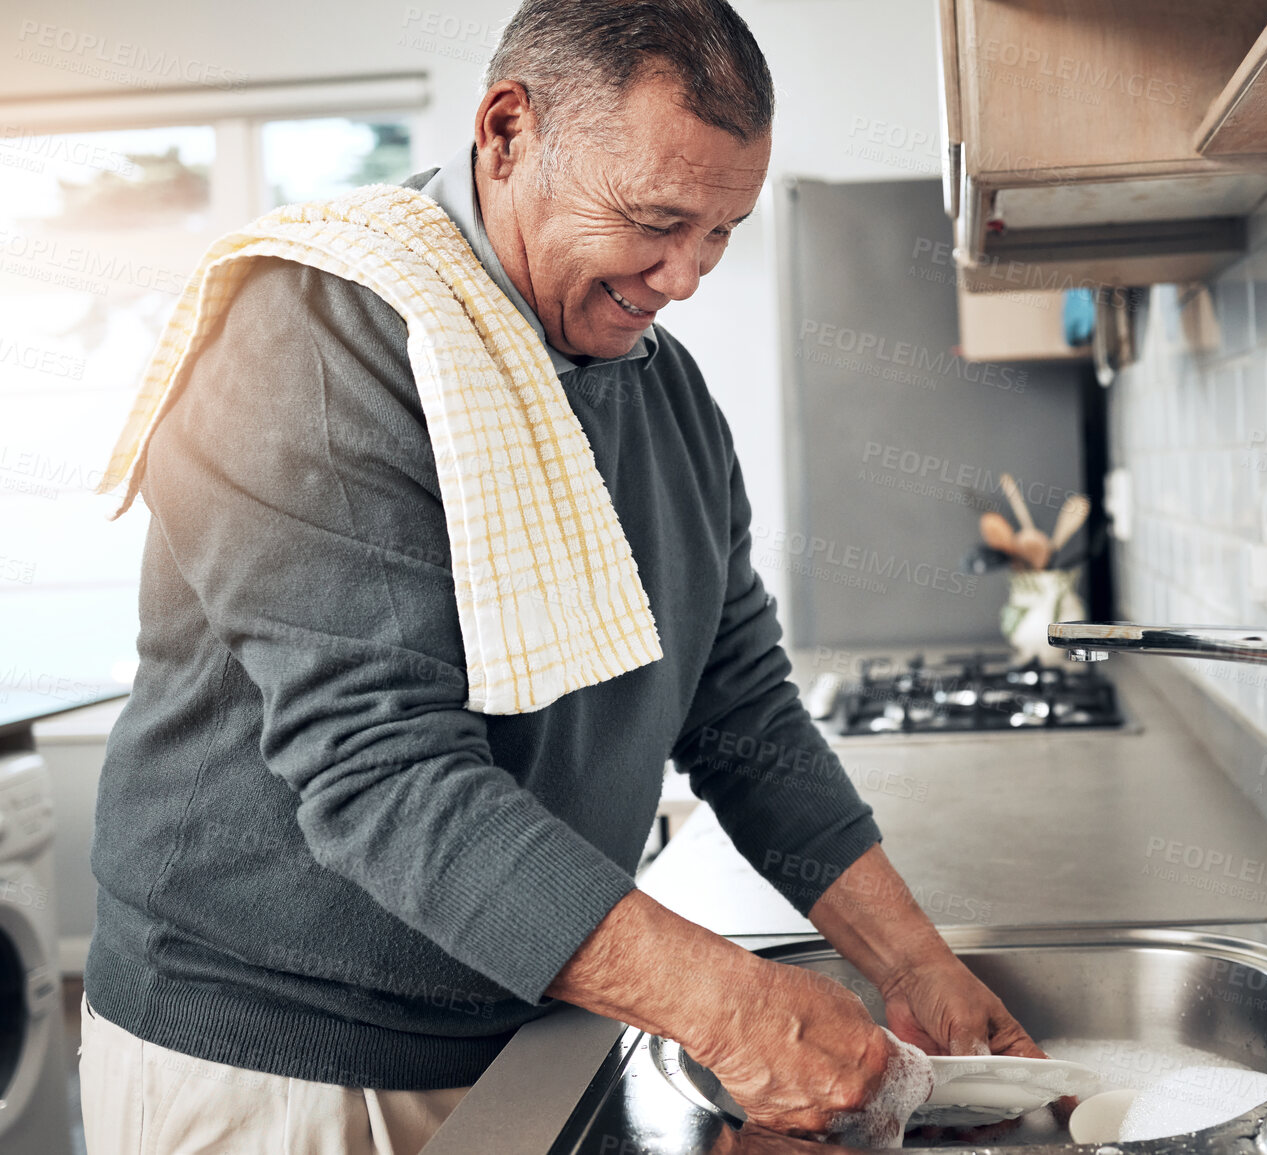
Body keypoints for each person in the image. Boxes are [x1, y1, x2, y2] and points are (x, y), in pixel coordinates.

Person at [79, 2, 1044, 1152]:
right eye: (656, 220)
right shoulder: (319, 333)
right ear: (506, 131)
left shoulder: (663, 391)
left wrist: (917, 967)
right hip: (281, 1064)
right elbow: (384, 776)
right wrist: (737, 1013)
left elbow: (741, 714)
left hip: (526, 1023)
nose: (685, 277)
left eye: (722, 232)